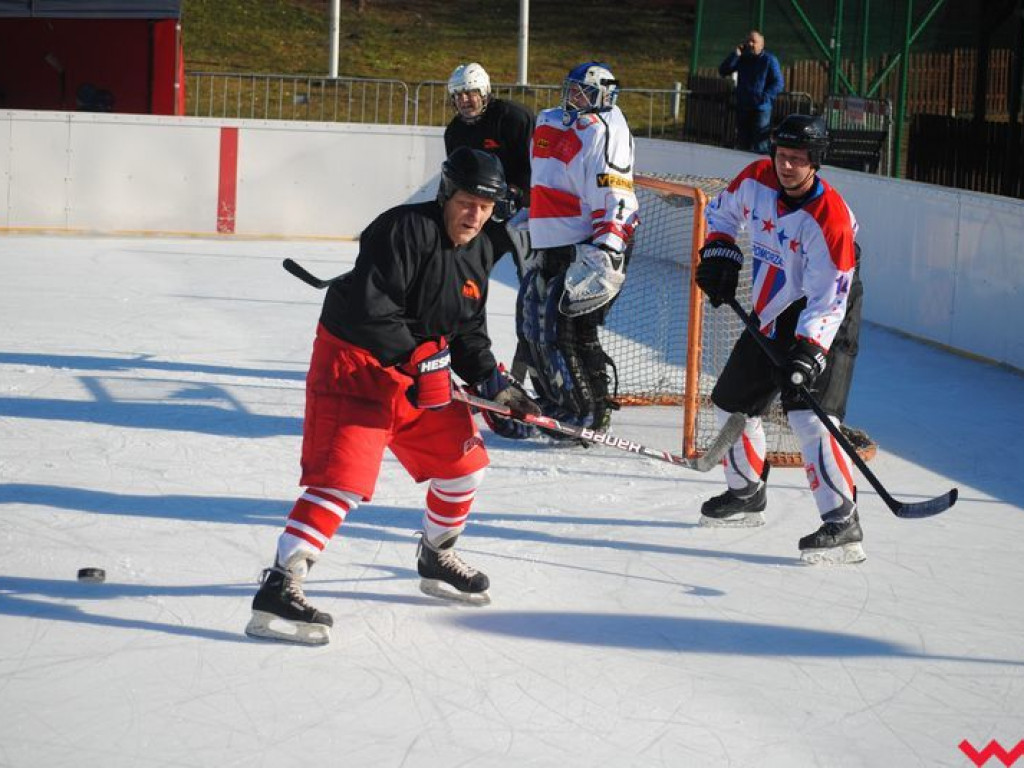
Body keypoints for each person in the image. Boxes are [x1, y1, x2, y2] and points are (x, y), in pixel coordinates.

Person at [245, 147, 540, 645]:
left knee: (464, 466)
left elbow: (467, 330)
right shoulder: (403, 229)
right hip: (356, 366)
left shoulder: (480, 250)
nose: (475, 215)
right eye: (467, 202)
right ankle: (280, 585)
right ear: (446, 194)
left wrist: (496, 384)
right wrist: (421, 360)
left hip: (418, 368)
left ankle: (436, 555)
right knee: (341, 483)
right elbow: (370, 310)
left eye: (486, 207)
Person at [694, 114, 866, 565]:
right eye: (782, 155)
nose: (786, 166)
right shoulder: (756, 178)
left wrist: (809, 352)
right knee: (732, 401)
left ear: (816, 161)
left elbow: (830, 299)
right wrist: (721, 249)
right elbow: (721, 211)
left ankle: (842, 521)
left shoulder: (830, 220)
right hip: (775, 304)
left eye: (798, 159)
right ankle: (746, 492)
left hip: (827, 311)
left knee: (810, 416)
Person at [514, 61, 640, 435]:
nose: (573, 99)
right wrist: (529, 216)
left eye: (582, 93)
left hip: (589, 247)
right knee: (534, 325)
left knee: (569, 331)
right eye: (571, 90)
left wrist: (607, 248)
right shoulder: (553, 121)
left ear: (604, 96)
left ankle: (590, 411)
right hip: (554, 243)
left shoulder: (606, 131)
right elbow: (547, 180)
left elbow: (616, 194)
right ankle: (556, 400)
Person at [444, 62, 534, 212]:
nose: (463, 100)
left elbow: (536, 162)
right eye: (457, 95)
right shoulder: (454, 132)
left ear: (484, 92)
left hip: (522, 204)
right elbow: (456, 175)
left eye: (469, 93)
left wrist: (518, 192)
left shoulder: (513, 118)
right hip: (479, 205)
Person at [719, 30, 784, 154]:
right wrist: (735, 54)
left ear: (762, 44)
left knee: (760, 144)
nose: (750, 44)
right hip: (743, 106)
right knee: (743, 143)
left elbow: (778, 83)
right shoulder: (743, 59)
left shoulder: (769, 60)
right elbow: (723, 70)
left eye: (754, 41)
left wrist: (764, 97)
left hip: (761, 109)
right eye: (748, 41)